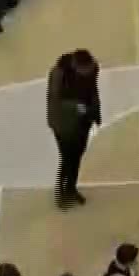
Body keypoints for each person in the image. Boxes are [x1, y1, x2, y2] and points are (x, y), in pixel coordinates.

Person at [47, 49, 101, 209]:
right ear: (75, 66)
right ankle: (60, 193)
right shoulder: (58, 74)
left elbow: (93, 91)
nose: (88, 73)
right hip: (62, 123)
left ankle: (71, 188)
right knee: (66, 158)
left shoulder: (93, 68)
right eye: (85, 71)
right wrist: (76, 107)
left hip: (83, 121)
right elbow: (55, 101)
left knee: (77, 156)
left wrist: (96, 113)